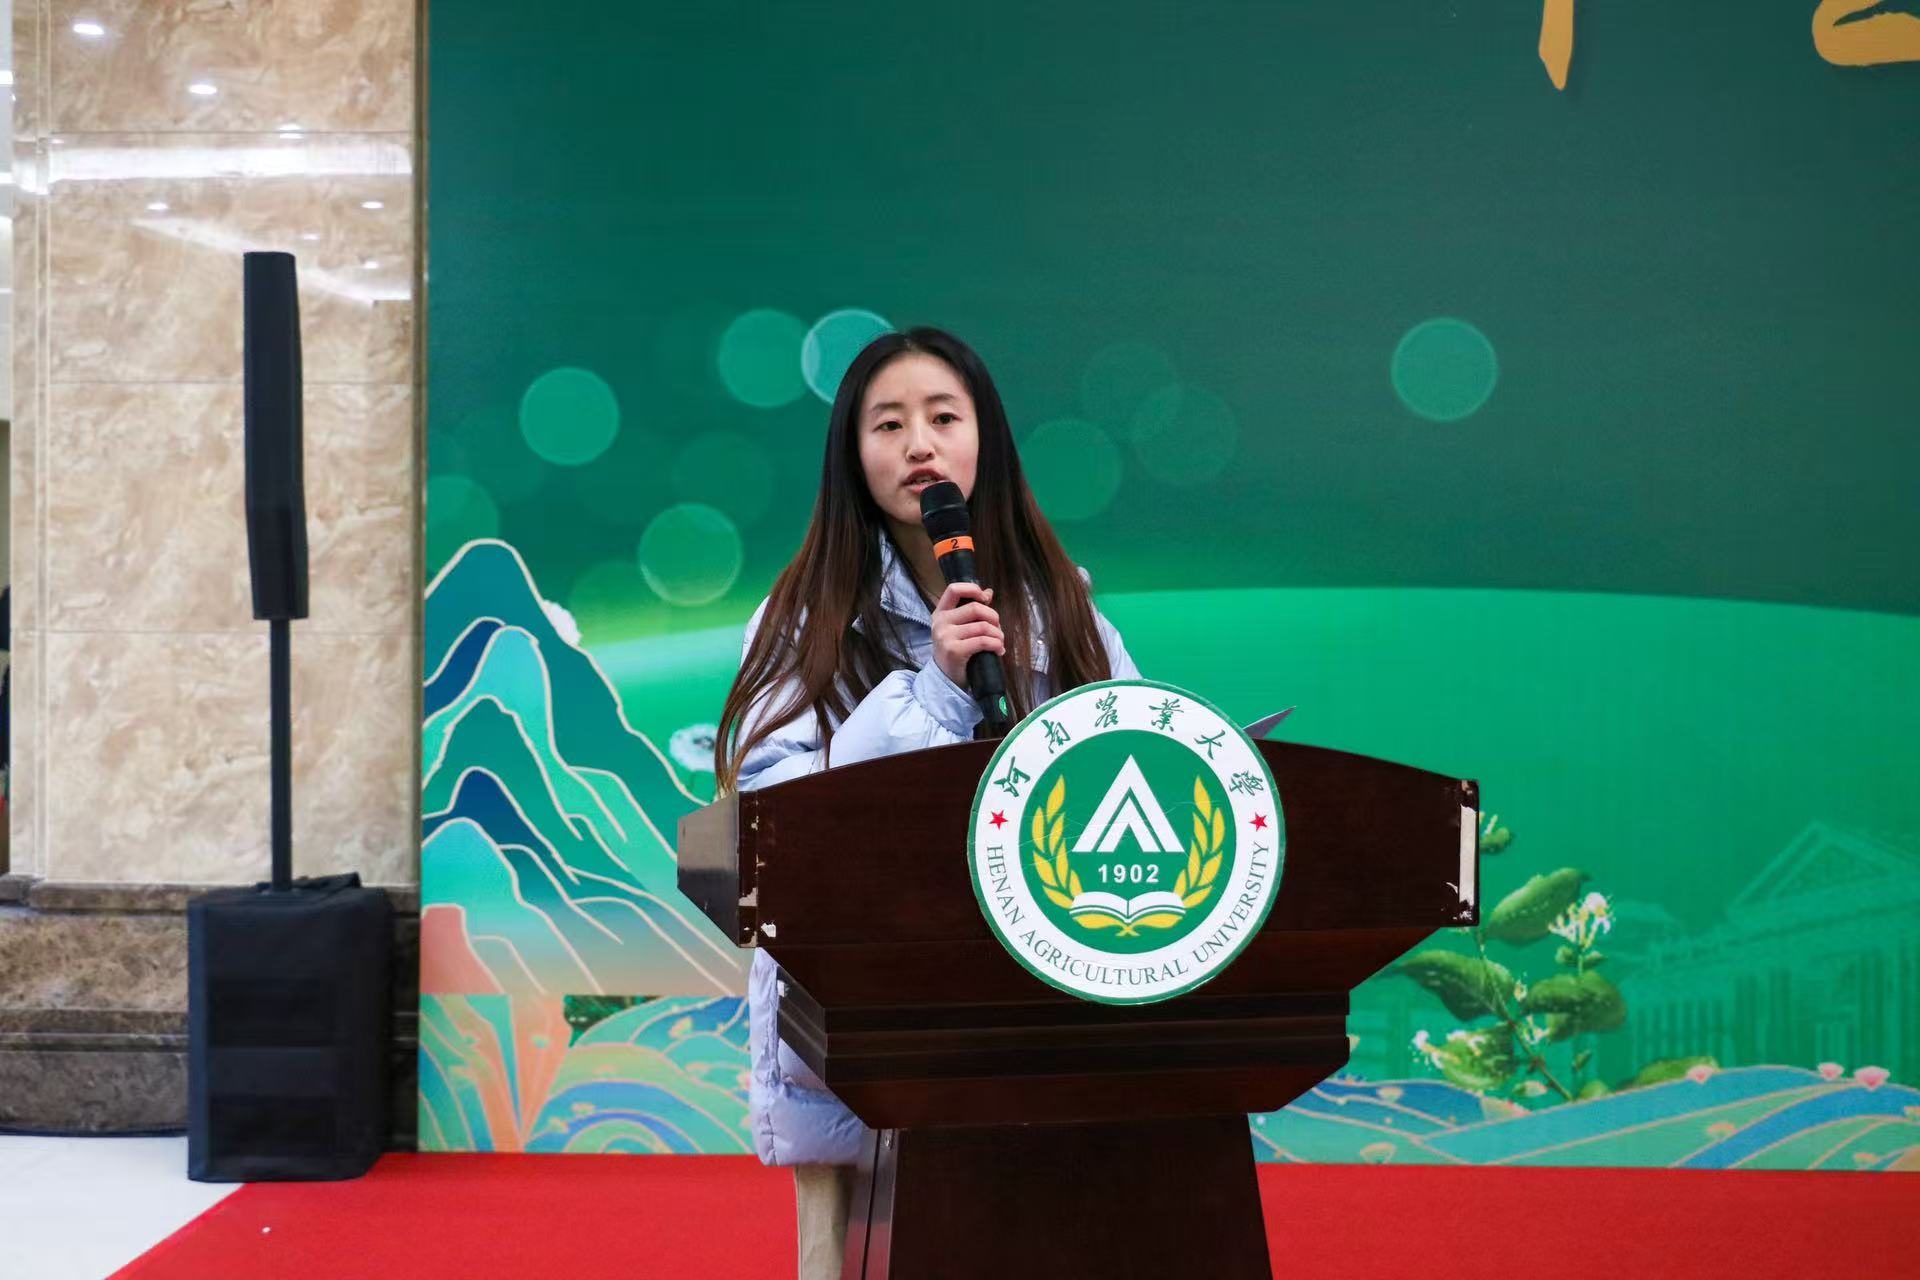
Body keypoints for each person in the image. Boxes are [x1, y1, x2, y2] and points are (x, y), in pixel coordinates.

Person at [713, 327, 1140, 1279]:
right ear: (852, 454)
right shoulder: (801, 617)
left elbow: (1126, 763)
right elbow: (780, 813)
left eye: (944, 418)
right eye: (889, 424)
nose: (920, 445)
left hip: (1031, 990)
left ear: (985, 439)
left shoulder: (1060, 605)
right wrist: (937, 693)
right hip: (863, 999)